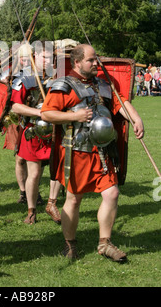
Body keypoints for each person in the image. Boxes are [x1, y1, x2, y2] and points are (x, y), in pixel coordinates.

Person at [41, 44, 144, 263]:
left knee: (112, 194)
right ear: (77, 62)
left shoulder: (103, 85)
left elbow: (120, 103)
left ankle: (104, 243)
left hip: (103, 152)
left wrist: (135, 118)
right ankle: (70, 245)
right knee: (74, 200)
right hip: (77, 152)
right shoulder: (63, 85)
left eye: (96, 59)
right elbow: (47, 114)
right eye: (91, 60)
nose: (96, 63)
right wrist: (73, 117)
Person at [9, 42, 62, 225]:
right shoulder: (24, 78)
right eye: (44, 57)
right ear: (35, 57)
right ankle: (31, 210)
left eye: (51, 58)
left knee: (57, 169)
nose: (48, 61)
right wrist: (40, 113)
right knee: (35, 173)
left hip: (55, 129)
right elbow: (15, 106)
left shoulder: (58, 77)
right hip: (33, 130)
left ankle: (51, 203)